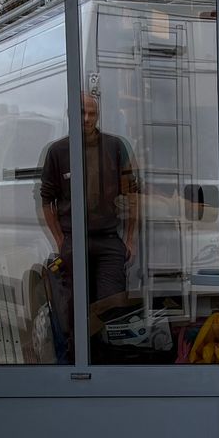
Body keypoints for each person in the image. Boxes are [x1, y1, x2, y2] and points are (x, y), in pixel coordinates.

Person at [36, 90, 138, 362]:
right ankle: (75, 367)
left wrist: (130, 239)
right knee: (73, 310)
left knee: (113, 306)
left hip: (108, 239)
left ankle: (109, 366)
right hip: (73, 239)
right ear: (71, 116)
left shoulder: (116, 147)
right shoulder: (58, 152)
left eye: (92, 113)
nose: (87, 118)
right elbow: (47, 200)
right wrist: (60, 241)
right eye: (82, 113)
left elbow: (133, 195)